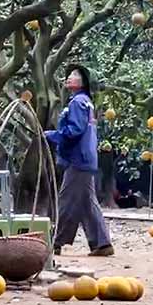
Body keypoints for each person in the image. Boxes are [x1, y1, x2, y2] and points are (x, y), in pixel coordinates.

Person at [45, 65, 114, 256]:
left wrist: (52, 135)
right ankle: (102, 244)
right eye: (69, 74)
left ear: (83, 82)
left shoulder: (77, 103)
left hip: (78, 159)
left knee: (66, 200)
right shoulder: (87, 102)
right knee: (86, 203)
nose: (69, 77)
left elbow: (74, 130)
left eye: (74, 75)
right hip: (87, 158)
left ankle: (55, 242)